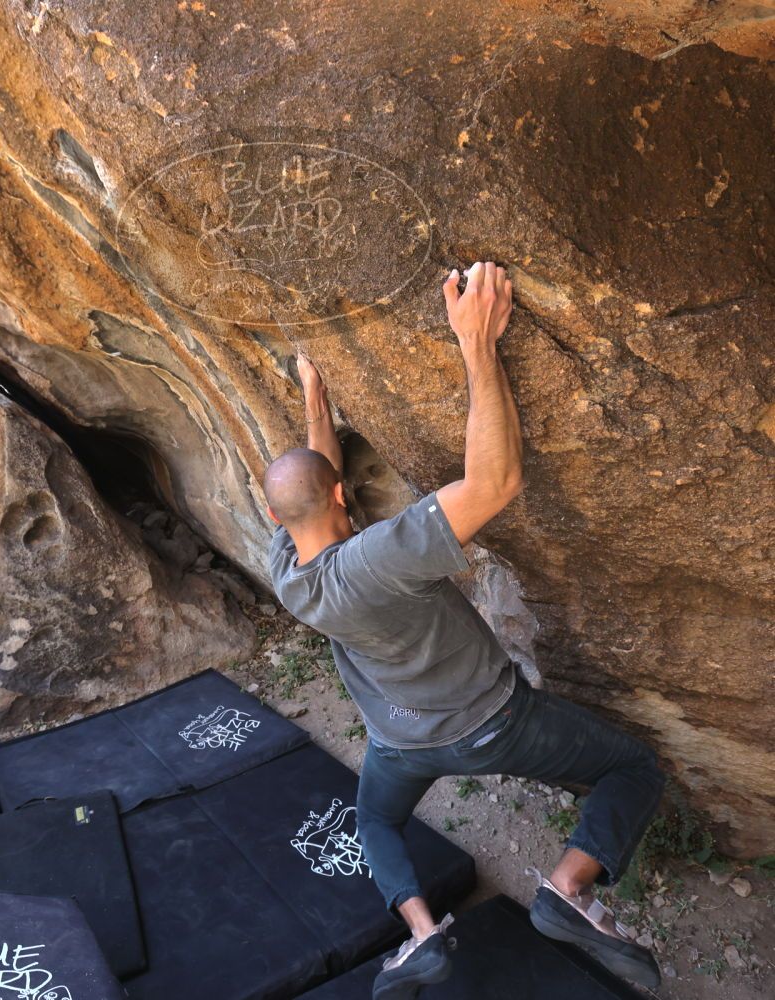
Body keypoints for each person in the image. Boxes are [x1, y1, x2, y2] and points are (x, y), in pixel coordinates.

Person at [265, 261, 664, 999]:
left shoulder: (286, 570)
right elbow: (493, 484)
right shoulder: (379, 558)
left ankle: (421, 932)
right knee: (634, 768)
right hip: (496, 726)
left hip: (400, 744)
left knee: (375, 823)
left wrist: (316, 400)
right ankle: (568, 888)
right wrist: (476, 343)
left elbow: (312, 482)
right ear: (344, 496)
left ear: (275, 518)